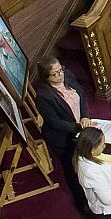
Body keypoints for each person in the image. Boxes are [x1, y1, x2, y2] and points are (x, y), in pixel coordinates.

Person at [35, 59, 93, 211]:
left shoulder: (67, 75)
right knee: (72, 169)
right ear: (47, 77)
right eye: (55, 74)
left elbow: (82, 96)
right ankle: (82, 202)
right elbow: (54, 122)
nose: (60, 75)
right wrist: (78, 126)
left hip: (79, 127)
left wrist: (85, 116)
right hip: (62, 139)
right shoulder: (44, 96)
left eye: (61, 70)